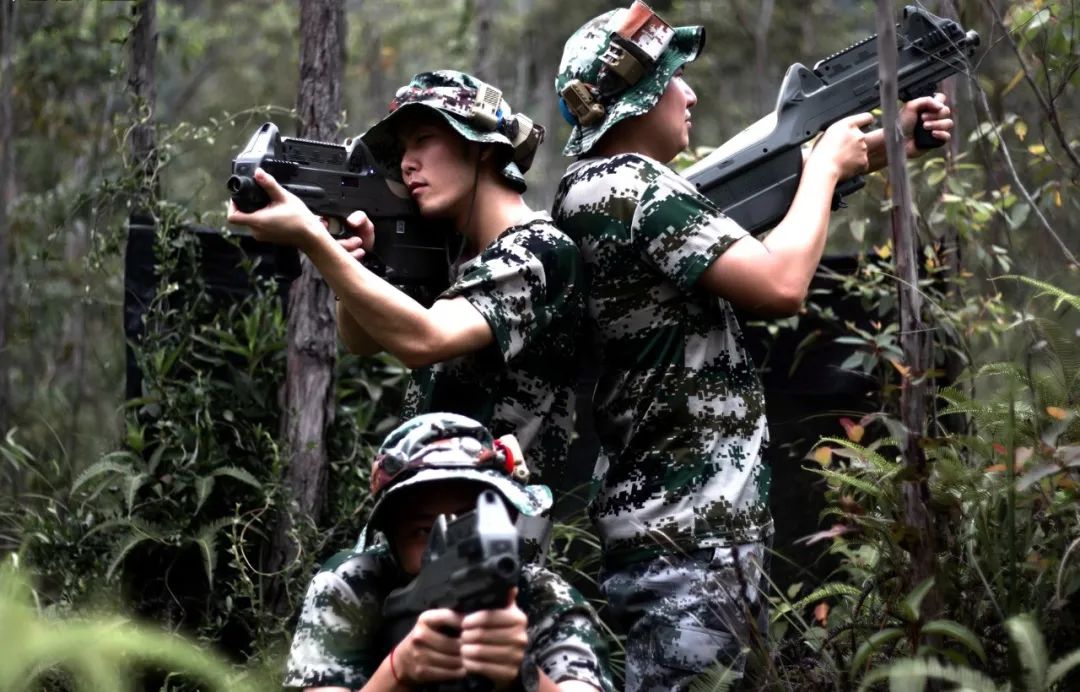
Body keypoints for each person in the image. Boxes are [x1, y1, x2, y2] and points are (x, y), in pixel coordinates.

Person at [549, 2, 955, 689]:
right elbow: (779, 283)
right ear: (640, 99)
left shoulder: (596, 190)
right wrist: (824, 169)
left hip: (679, 522)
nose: (689, 94)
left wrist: (888, 142)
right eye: (673, 78)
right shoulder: (638, 190)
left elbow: (749, 201)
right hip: (689, 530)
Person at [227, 71, 584, 483]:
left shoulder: (540, 251)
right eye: (402, 149)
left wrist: (312, 238)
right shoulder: (453, 252)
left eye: (423, 140)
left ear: (483, 148)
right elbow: (362, 341)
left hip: (502, 509)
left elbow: (424, 340)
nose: (406, 163)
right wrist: (361, 261)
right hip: (436, 501)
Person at [283, 412, 614, 692]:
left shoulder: (545, 597)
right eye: (423, 531)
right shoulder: (352, 584)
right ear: (392, 537)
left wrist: (523, 675)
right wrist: (398, 671)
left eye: (470, 522)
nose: (449, 544)